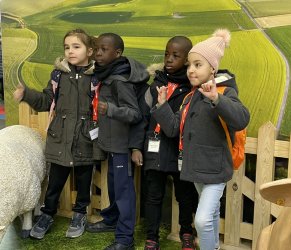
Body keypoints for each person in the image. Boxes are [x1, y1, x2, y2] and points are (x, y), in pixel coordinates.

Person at [152, 29, 250, 250]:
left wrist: (216, 98)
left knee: (202, 219)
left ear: (212, 68)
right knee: (212, 215)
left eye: (198, 65)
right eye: (189, 65)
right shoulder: (189, 97)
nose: (191, 70)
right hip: (195, 169)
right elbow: (174, 128)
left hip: (215, 169)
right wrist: (162, 105)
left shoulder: (225, 92)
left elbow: (242, 119)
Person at [13, 29, 97, 239]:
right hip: (60, 136)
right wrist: (26, 94)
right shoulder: (58, 75)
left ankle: (79, 214)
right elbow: (45, 101)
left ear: (90, 50)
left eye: (76, 47)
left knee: (85, 179)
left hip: (85, 138)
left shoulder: (97, 77)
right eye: (67, 47)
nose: (70, 51)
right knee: (55, 181)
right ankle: (47, 214)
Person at [87, 32, 149, 250]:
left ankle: (125, 239)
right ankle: (112, 220)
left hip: (122, 145)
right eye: (97, 49)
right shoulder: (107, 74)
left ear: (118, 53)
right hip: (113, 143)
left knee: (123, 192)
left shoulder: (119, 81)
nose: (98, 54)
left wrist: (110, 109)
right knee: (114, 186)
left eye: (104, 50)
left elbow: (135, 114)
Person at [142, 36, 198, 250]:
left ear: (186, 60)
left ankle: (186, 232)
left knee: (184, 196)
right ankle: (152, 237)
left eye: (176, 55)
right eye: (166, 54)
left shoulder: (193, 89)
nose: (169, 59)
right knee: (153, 196)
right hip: (154, 151)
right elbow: (143, 118)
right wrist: (137, 147)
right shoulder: (155, 85)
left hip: (179, 152)